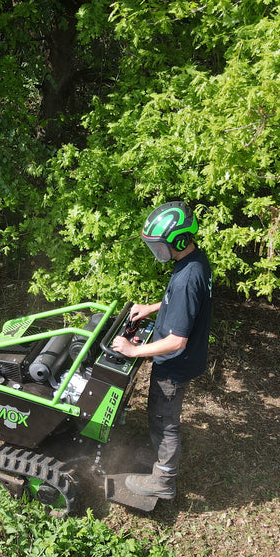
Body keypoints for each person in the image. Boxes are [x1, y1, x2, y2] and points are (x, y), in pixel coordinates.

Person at [112, 201, 212, 500]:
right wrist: (152, 307)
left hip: (175, 363)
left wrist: (132, 351)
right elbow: (183, 303)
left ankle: (164, 479)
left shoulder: (186, 278)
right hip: (184, 358)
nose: (157, 252)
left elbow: (176, 341)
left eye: (159, 246)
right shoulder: (195, 261)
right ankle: (160, 459)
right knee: (159, 415)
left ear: (178, 241)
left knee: (163, 419)